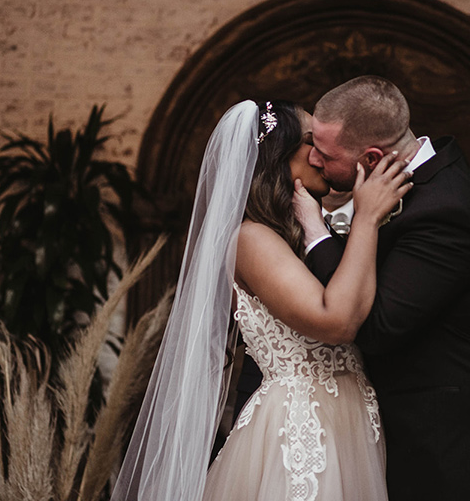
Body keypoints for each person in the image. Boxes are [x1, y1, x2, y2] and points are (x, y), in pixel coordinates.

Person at [112, 100, 410, 501]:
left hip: (349, 422)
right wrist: (367, 219)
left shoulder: (298, 231)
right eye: (310, 143)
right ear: (278, 157)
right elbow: (336, 321)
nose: (321, 157)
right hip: (299, 431)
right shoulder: (251, 239)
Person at [303, 76, 470, 501]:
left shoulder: (446, 210)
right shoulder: (411, 186)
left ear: (370, 158)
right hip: (400, 450)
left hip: (448, 462)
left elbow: (375, 326)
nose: (313, 159)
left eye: (325, 152)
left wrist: (315, 229)